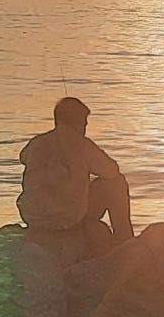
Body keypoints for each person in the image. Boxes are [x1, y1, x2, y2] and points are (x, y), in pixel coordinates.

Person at [17, 96, 133, 242]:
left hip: (33, 218)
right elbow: (112, 171)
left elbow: (23, 157)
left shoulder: (36, 143)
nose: (85, 129)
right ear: (77, 122)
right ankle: (125, 241)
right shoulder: (81, 144)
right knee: (116, 184)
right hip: (67, 219)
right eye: (84, 124)